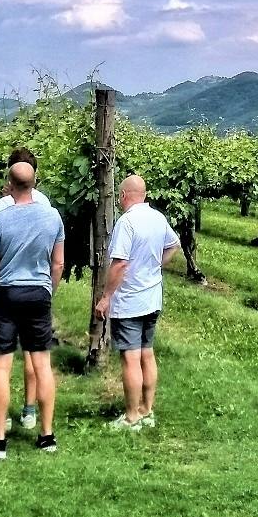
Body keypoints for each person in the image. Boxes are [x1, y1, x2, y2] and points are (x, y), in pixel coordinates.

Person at [0, 158, 64, 459]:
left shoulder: (0, 220)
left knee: (1, 367)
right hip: (38, 292)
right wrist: (48, 289)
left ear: (9, 185)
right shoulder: (53, 217)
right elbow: (58, 263)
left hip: (6, 293)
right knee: (42, 365)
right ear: (35, 183)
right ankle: (47, 435)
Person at [0, 147, 50, 432]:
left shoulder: (6, 203)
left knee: (2, 363)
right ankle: (30, 413)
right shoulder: (44, 203)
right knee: (36, 355)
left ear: (10, 176)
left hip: (7, 285)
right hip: (38, 286)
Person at [95, 175, 179, 431]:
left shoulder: (127, 222)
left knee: (130, 358)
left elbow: (120, 263)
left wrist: (107, 297)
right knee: (147, 353)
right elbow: (173, 245)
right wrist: (154, 265)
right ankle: (147, 409)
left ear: (123, 195)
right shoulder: (157, 217)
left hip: (130, 300)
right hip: (152, 297)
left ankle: (131, 416)